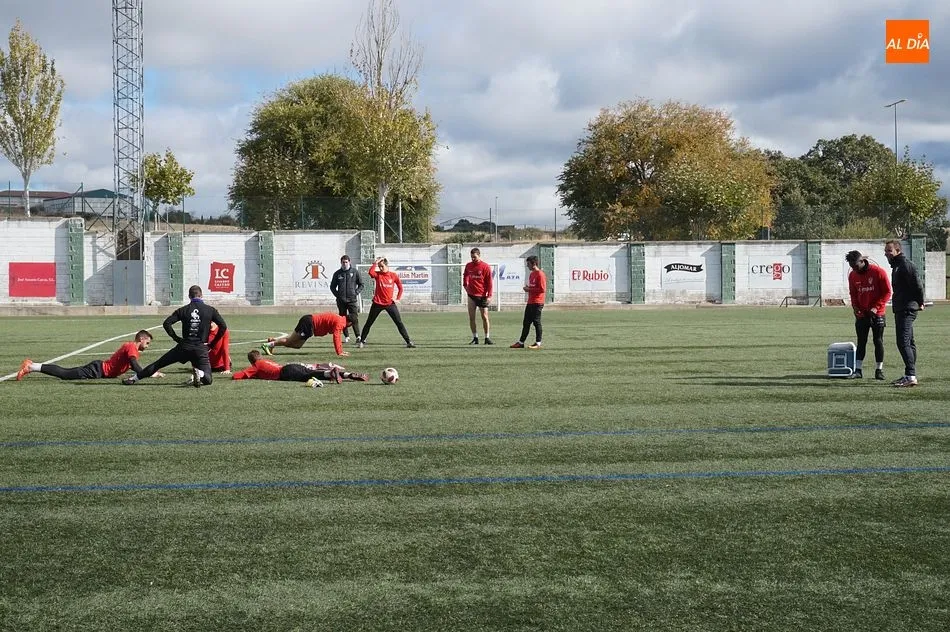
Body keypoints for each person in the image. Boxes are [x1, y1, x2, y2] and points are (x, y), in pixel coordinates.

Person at [123, 285, 228, 388]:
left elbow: (167, 323)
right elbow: (223, 326)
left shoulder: (183, 310)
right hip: (200, 348)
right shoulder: (210, 310)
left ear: (189, 296)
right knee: (208, 379)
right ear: (201, 295)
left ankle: (133, 379)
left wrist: (177, 339)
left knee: (158, 364)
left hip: (184, 347)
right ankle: (200, 374)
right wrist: (212, 344)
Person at [16, 330, 165, 381]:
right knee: (65, 374)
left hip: (99, 369)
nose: (148, 345)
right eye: (148, 342)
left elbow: (132, 366)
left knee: (66, 373)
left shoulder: (132, 349)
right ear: (141, 339)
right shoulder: (132, 347)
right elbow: (134, 365)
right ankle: (32, 366)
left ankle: (32, 366)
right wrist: (148, 374)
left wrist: (150, 373)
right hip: (98, 370)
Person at [884, 240, 925, 387]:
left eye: (889, 250)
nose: (886, 253)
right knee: (909, 342)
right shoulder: (897, 266)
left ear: (898, 251)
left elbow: (918, 285)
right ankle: (909, 374)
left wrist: (920, 302)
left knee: (903, 342)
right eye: (885, 251)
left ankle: (911, 376)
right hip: (902, 307)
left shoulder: (905, 265)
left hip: (907, 308)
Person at [845, 250, 892, 380]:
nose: (854, 269)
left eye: (855, 266)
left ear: (861, 261)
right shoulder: (852, 275)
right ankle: (858, 370)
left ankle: (879, 370)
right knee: (861, 341)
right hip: (862, 314)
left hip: (878, 313)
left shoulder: (878, 272)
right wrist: (855, 308)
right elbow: (853, 294)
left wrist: (876, 307)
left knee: (878, 341)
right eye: (851, 267)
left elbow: (887, 292)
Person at [358, 257, 416, 349]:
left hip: (389, 304)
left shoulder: (393, 275)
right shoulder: (378, 275)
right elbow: (371, 272)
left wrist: (397, 298)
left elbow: (400, 288)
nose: (380, 268)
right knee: (369, 322)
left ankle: (408, 342)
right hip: (377, 303)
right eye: (379, 266)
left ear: (386, 265)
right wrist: (375, 263)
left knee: (399, 322)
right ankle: (362, 341)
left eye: (382, 266)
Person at [232, 349, 370, 386]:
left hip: (285, 373)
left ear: (252, 361)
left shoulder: (255, 366)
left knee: (309, 376)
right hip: (290, 366)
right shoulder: (265, 361)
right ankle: (349, 375)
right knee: (312, 371)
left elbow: (238, 376)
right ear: (260, 356)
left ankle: (331, 374)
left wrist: (231, 373)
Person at [261, 312, 350, 357]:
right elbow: (336, 337)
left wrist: (341, 351)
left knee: (297, 345)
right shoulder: (341, 323)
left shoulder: (340, 319)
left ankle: (273, 342)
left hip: (309, 323)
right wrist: (339, 352)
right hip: (308, 323)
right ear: (350, 323)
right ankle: (268, 345)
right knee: (291, 341)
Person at [511, 255, 546, 349]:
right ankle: (521, 342)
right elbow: (534, 287)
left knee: (536, 322)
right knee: (526, 323)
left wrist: (529, 289)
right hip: (530, 302)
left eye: (528, 264)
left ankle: (538, 343)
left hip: (537, 302)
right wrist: (528, 288)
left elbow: (542, 289)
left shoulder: (540, 274)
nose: (527, 266)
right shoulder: (532, 274)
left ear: (534, 264)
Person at [330, 254, 363, 344]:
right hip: (341, 301)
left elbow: (361, 284)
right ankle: (346, 336)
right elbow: (332, 287)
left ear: (349, 262)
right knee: (342, 318)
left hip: (352, 300)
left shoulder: (355, 272)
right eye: (343, 262)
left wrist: (356, 292)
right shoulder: (337, 273)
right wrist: (338, 295)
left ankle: (358, 336)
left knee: (354, 318)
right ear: (341, 263)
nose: (344, 264)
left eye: (346, 262)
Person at [463, 247, 494, 345]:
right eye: (471, 257)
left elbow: (489, 282)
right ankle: (475, 337)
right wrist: (465, 285)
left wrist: (489, 295)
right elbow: (465, 275)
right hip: (471, 295)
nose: (473, 259)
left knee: (485, 317)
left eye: (475, 257)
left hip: (482, 295)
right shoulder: (468, 265)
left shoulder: (485, 267)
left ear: (479, 255)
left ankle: (487, 337)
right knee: (471, 317)